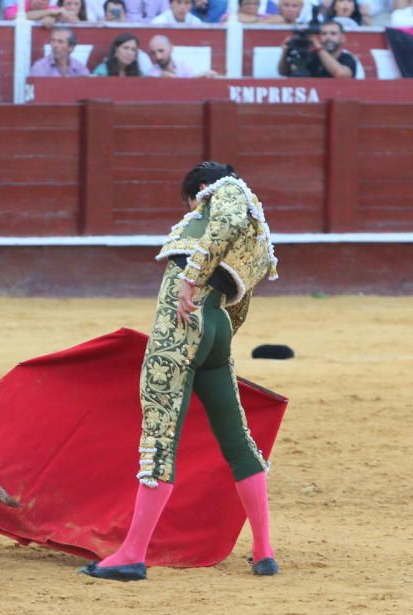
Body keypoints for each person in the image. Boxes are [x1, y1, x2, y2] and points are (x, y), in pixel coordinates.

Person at [81, 161, 280, 582]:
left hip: (180, 328)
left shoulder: (223, 195)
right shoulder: (258, 227)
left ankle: (132, 554)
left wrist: (190, 280)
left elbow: (221, 224)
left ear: (202, 189)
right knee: (237, 439)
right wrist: (216, 335)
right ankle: (264, 551)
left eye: (192, 203)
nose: (194, 210)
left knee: (159, 438)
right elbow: (243, 295)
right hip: (217, 327)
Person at [278, 20, 356, 78]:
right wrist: (285, 53)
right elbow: (284, 72)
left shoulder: (347, 58)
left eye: (333, 34)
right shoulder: (312, 56)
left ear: (343, 38)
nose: (328, 37)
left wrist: (318, 47)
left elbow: (341, 74)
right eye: (324, 34)